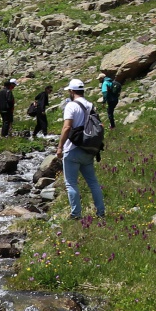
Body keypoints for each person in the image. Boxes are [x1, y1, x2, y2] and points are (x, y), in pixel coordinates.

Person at [57, 78, 106, 219]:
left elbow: (67, 127)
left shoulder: (71, 106)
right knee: (93, 182)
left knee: (71, 184)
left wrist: (60, 147)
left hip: (72, 149)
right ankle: (101, 212)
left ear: (72, 91)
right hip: (87, 149)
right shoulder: (90, 105)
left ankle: (76, 214)